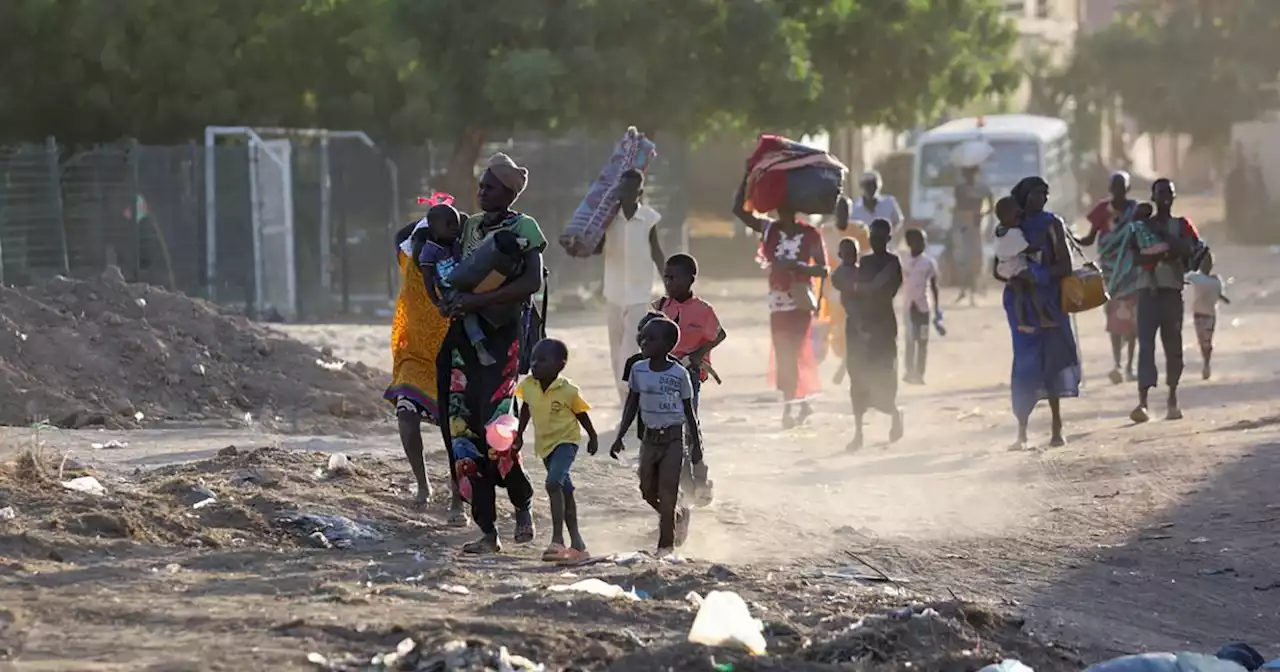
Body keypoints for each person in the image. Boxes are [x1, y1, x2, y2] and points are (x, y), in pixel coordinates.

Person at [437, 153, 546, 554]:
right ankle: (487, 531)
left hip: (502, 340)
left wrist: (477, 302)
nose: (482, 192)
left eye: (490, 187)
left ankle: (522, 504)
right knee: (461, 433)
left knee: (498, 432)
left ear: (509, 193)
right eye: (481, 185)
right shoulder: (467, 227)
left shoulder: (524, 227)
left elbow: (531, 283)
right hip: (462, 342)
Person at [732, 175, 829, 429]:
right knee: (784, 353)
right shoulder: (769, 229)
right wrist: (749, 177)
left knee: (793, 351)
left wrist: (797, 267)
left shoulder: (810, 234)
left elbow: (823, 270)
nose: (781, 209)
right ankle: (798, 402)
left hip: (800, 299)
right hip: (777, 301)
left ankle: (792, 405)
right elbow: (737, 210)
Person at [996, 177, 1080, 449]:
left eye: (1045, 193)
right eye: (1036, 193)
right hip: (1022, 307)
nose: (1042, 198)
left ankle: (1057, 427)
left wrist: (1037, 275)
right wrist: (1016, 278)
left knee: (1052, 362)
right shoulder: (1010, 226)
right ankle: (1021, 431)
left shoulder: (1052, 223)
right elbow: (997, 268)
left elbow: (1065, 266)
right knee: (1025, 363)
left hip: (1050, 302)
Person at [611, 318, 703, 556]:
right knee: (646, 489)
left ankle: (665, 546)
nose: (644, 342)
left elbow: (689, 412)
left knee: (668, 491)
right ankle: (676, 515)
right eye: (642, 337)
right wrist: (619, 436)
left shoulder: (679, 374)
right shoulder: (638, 370)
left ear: (668, 344)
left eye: (651, 339)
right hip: (650, 439)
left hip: (674, 439)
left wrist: (696, 446)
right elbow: (631, 405)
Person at [386, 206, 456, 509]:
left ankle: (458, 498)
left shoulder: (453, 266)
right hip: (414, 357)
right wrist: (431, 216)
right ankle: (423, 485)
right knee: (406, 414)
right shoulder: (408, 261)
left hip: (452, 356)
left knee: (456, 432)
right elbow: (402, 235)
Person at [513, 339, 598, 563]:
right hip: (545, 445)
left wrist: (593, 436)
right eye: (533, 359)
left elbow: (581, 414)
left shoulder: (568, 390)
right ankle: (578, 544)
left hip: (566, 441)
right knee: (565, 490)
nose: (534, 364)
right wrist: (519, 434)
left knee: (553, 484)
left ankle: (557, 540)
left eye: (542, 360)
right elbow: (526, 408)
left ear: (560, 365)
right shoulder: (528, 385)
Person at [654, 253, 725, 507]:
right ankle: (682, 481)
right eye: (666, 277)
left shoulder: (703, 311)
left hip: (689, 375)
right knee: (668, 427)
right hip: (662, 374)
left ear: (690, 279)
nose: (669, 282)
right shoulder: (661, 307)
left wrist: (697, 354)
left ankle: (700, 476)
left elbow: (719, 334)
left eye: (674, 278)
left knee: (689, 424)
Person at [1130, 179, 1203, 423]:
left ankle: (1172, 398)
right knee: (1146, 347)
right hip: (1148, 291)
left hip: (1171, 291)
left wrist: (1162, 241)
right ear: (1153, 196)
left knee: (1173, 347)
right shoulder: (1141, 225)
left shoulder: (1181, 225)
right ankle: (1143, 402)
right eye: (1161, 193)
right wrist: (1166, 253)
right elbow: (1135, 258)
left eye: (1169, 193)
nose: (1165, 198)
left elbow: (1189, 250)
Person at [603, 169, 665, 404]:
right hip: (614, 290)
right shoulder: (609, 218)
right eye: (623, 189)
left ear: (639, 192)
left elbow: (657, 251)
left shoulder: (649, 218)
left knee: (632, 344)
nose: (626, 194)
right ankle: (623, 397)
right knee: (615, 345)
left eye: (631, 190)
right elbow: (596, 246)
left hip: (640, 291)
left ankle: (630, 392)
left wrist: (668, 281)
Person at [843, 220, 904, 450]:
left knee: (884, 376)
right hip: (863, 326)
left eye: (881, 237)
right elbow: (857, 291)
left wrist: (866, 291)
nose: (877, 241)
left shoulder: (892, 263)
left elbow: (888, 290)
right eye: (874, 237)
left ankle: (895, 414)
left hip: (884, 326)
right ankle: (858, 433)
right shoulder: (864, 262)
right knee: (858, 378)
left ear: (888, 239)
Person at [416, 203, 502, 366]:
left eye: (456, 224)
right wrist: (436, 301)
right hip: (450, 293)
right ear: (433, 227)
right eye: (448, 225)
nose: (454, 228)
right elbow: (427, 279)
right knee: (467, 314)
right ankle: (479, 348)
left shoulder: (456, 244)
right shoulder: (429, 251)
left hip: (466, 285)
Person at [1078, 171, 1140, 384]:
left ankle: (1131, 365)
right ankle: (1117, 365)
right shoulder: (1101, 211)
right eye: (1115, 187)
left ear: (1128, 189)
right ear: (1110, 189)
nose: (1118, 192)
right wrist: (1068, 237)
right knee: (1114, 319)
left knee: (1134, 322)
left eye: (1122, 187)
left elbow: (1144, 236)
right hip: (1110, 274)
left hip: (1132, 272)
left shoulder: (1136, 210)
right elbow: (1089, 239)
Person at [994, 197, 1057, 333]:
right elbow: (1028, 249)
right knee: (1033, 287)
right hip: (1015, 267)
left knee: (1020, 293)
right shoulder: (1013, 233)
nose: (1019, 218)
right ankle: (1043, 317)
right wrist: (1042, 240)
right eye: (1016, 215)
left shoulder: (1000, 231)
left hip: (1005, 268)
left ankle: (1023, 322)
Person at [900, 229, 941, 385]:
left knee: (922, 341)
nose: (923, 245)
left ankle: (920, 373)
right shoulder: (903, 260)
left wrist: (937, 310)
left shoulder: (928, 263)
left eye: (924, 241)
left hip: (923, 308)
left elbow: (934, 286)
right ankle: (909, 371)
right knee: (910, 340)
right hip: (908, 308)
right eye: (920, 241)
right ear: (910, 243)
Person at [951, 165, 993, 306]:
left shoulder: (981, 189)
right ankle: (966, 290)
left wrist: (981, 214)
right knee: (964, 259)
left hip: (975, 227)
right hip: (965, 226)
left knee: (975, 259)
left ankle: (974, 290)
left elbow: (991, 207)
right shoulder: (962, 189)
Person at [1185, 250, 1229, 380]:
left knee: (1206, 341)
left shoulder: (1214, 280)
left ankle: (1206, 364)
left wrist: (1223, 298)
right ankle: (1206, 364)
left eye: (1208, 263)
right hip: (1199, 314)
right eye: (1204, 262)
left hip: (1208, 314)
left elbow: (1218, 294)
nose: (1206, 265)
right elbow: (1183, 280)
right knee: (1203, 341)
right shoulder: (1197, 278)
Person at [845, 170, 905, 245]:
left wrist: (887, 235)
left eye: (873, 185)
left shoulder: (889, 202)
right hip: (864, 248)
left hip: (887, 247)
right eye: (867, 185)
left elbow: (898, 222)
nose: (871, 188)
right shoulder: (854, 208)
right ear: (862, 186)